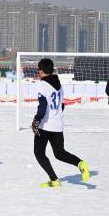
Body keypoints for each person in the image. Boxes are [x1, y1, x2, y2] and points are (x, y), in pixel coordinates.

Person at [31, 58, 89, 188]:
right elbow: (61, 106)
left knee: (39, 153)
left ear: (41, 71)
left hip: (45, 126)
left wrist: (36, 120)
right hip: (57, 125)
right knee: (59, 153)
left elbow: (43, 105)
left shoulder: (42, 84)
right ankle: (80, 164)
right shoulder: (59, 84)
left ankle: (55, 180)